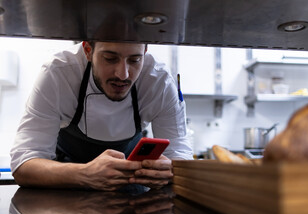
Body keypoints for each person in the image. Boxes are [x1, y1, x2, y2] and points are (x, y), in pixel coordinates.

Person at [10, 41, 192, 191]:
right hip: (66, 183)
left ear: (145, 51)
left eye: (135, 60)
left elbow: (180, 156)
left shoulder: (159, 80)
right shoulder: (59, 73)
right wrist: (85, 174)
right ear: (88, 51)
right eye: (110, 59)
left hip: (130, 186)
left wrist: (167, 171)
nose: (123, 74)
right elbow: (24, 165)